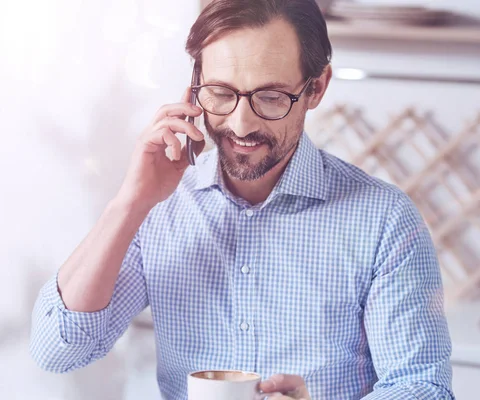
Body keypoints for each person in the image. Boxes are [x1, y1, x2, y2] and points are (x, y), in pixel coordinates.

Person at [30, 1, 454, 399]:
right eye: (221, 93)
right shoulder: (161, 206)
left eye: (270, 97)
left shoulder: (384, 220)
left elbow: (422, 386)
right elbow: (58, 350)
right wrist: (130, 202)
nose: (240, 123)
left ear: (316, 88)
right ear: (194, 86)